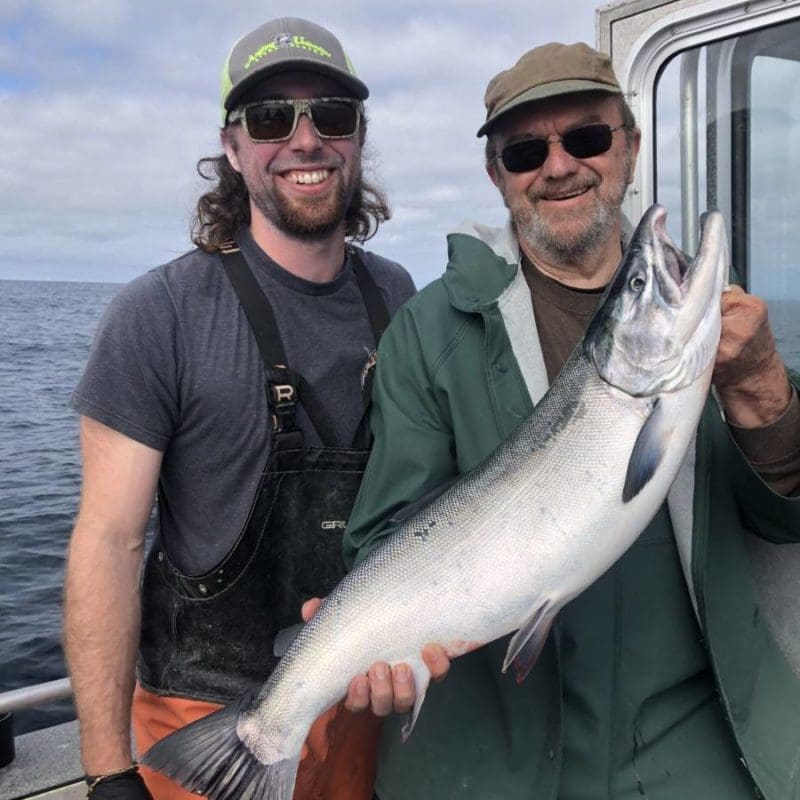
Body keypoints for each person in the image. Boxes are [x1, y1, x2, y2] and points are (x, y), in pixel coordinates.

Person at [342, 42, 800, 800]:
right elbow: (386, 533)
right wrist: (371, 641)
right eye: (525, 150)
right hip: (494, 761)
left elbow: (781, 518)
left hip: (694, 740)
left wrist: (761, 389)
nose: (558, 166)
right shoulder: (431, 330)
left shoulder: (703, 316)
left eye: (586, 137)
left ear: (630, 146)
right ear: (497, 176)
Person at [63, 17, 414, 800]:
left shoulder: (399, 299)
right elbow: (109, 542)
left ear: (357, 137)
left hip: (360, 701)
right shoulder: (158, 312)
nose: (304, 140)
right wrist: (106, 768)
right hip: (204, 719)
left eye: (331, 114)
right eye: (269, 118)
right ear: (231, 148)